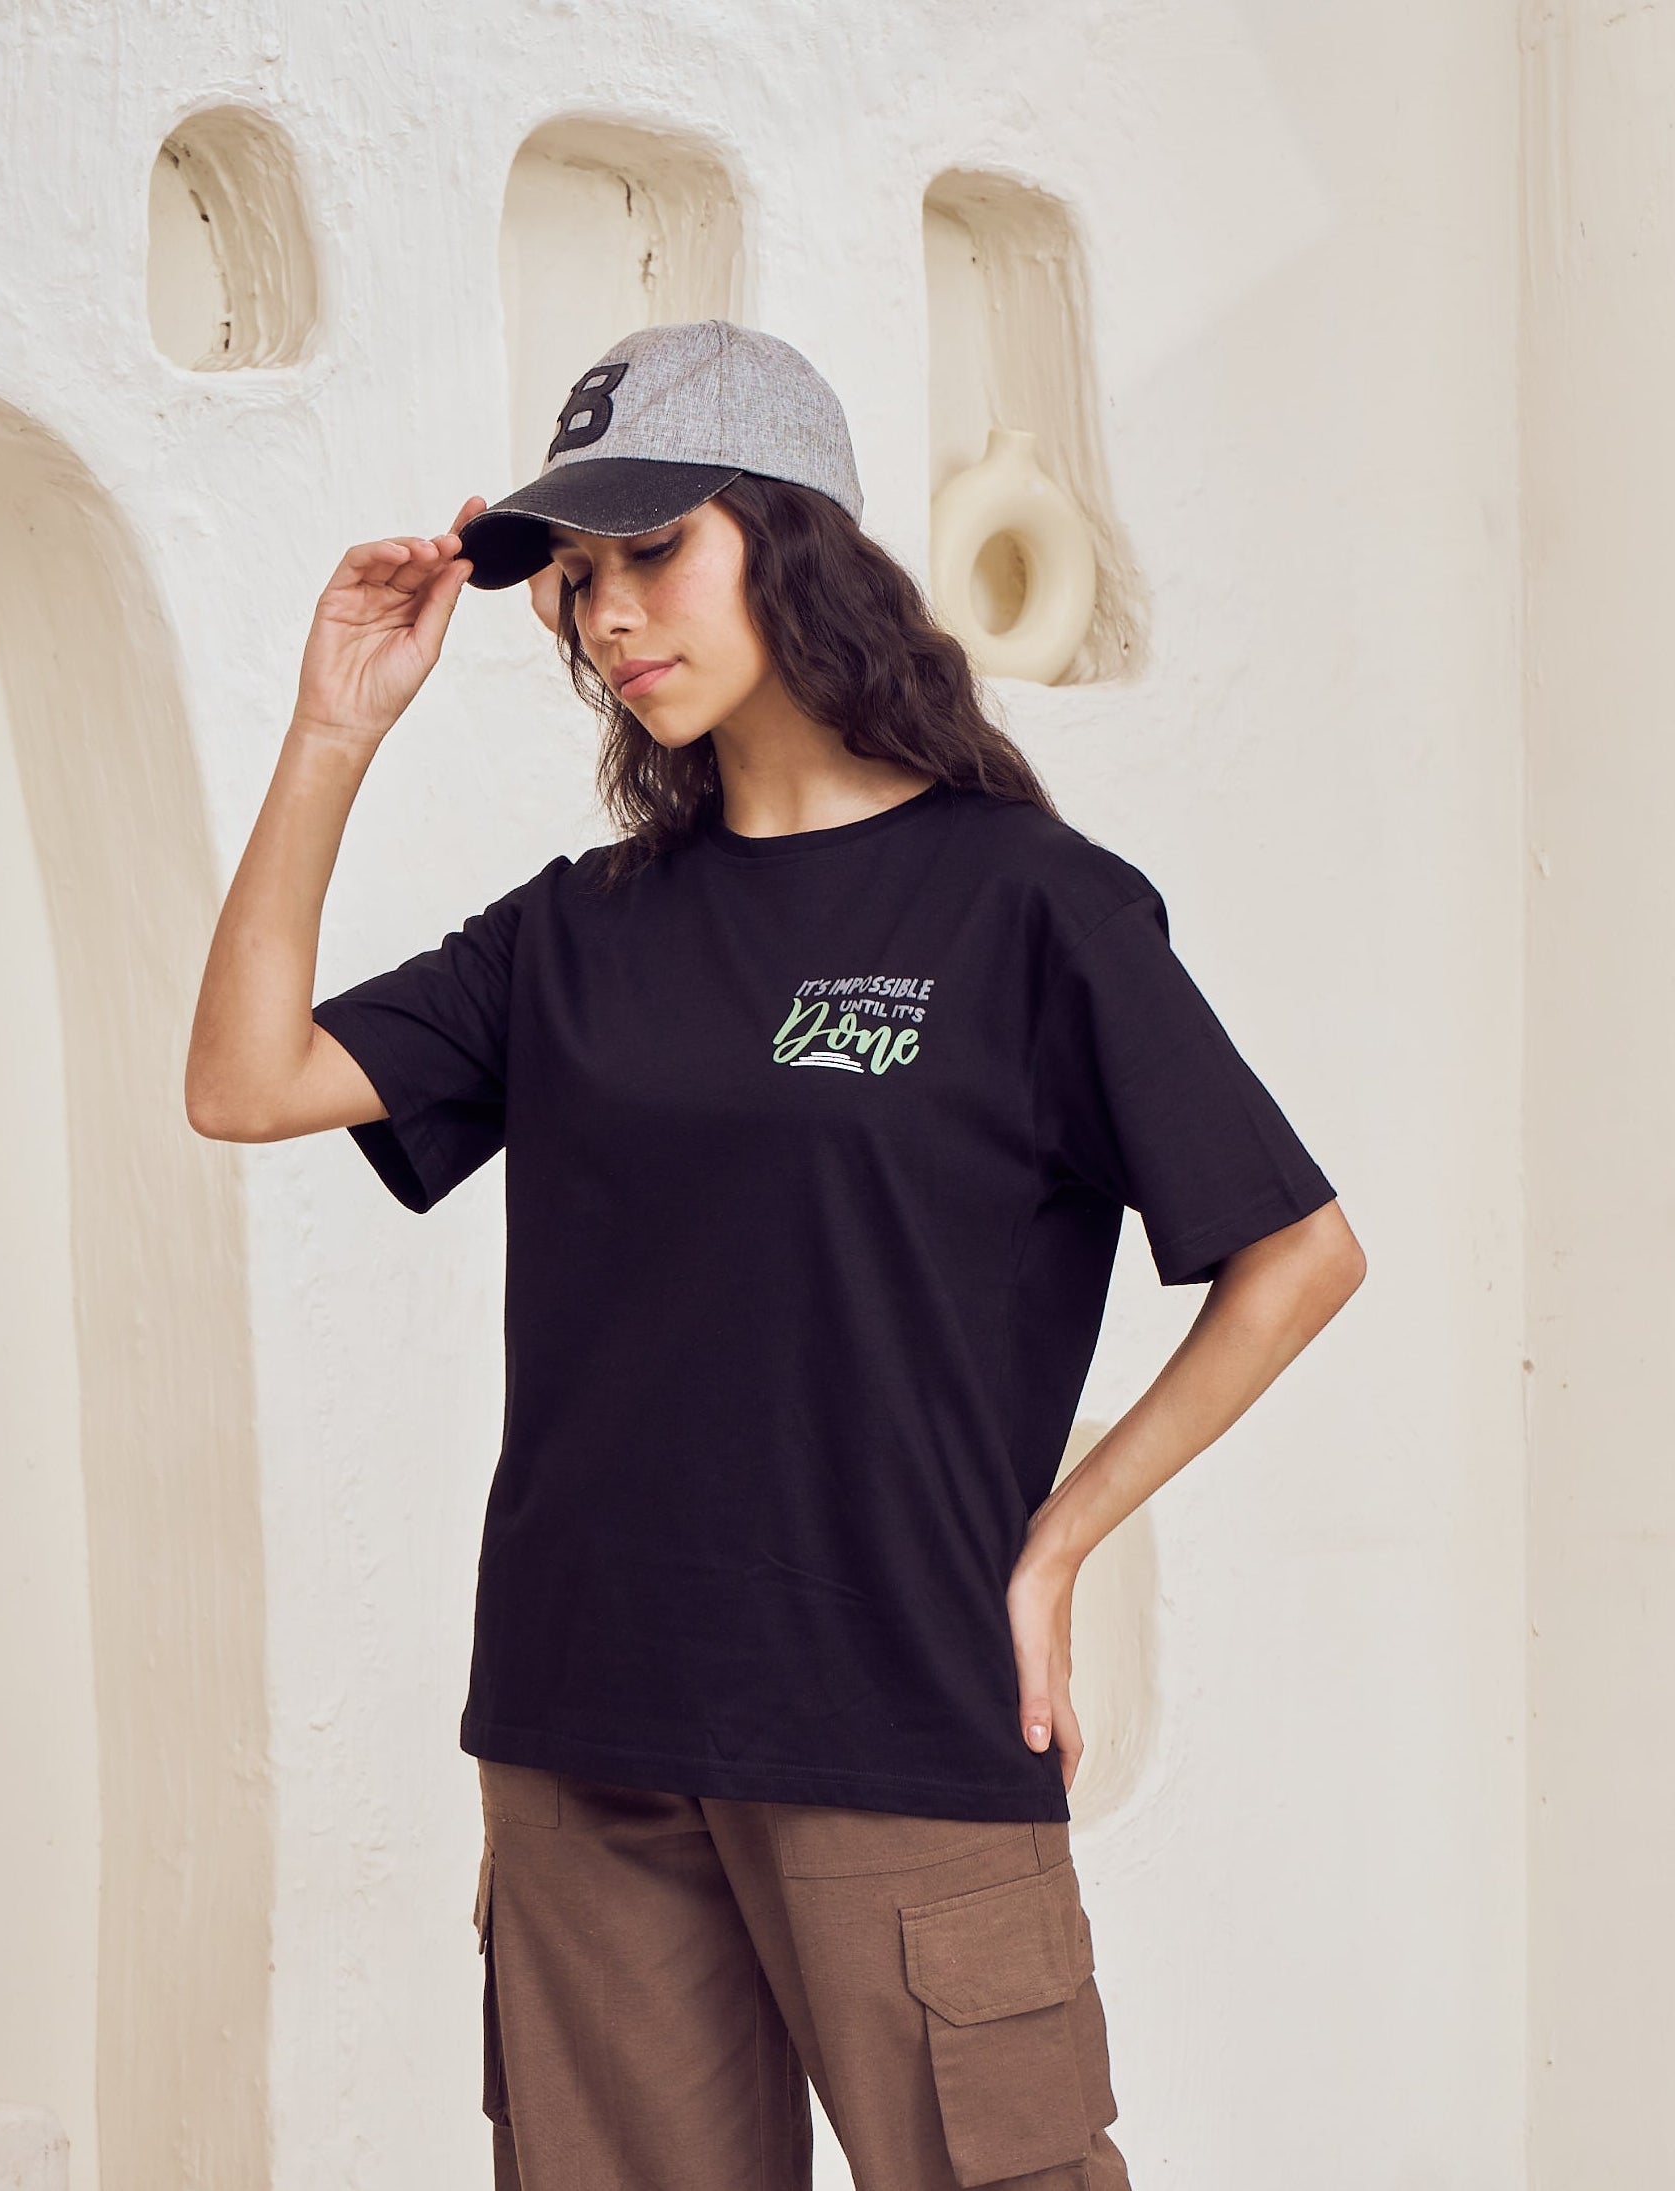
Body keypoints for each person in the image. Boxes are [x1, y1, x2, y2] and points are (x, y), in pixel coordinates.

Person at [186, 318, 1365, 2191]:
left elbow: (1297, 1251)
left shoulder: (1028, 907)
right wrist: (336, 728)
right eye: (578, 580)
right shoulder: (580, 931)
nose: (609, 616)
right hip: (583, 1723)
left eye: (654, 550)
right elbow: (245, 1081)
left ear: (794, 535)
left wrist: (1059, 1541)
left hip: (892, 1702)